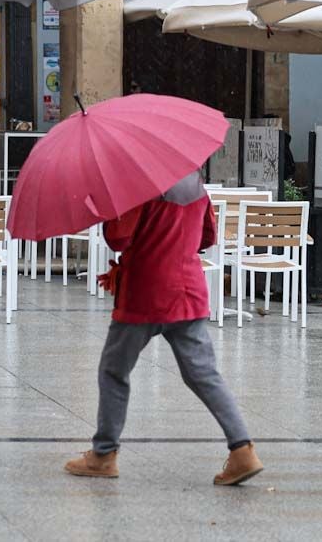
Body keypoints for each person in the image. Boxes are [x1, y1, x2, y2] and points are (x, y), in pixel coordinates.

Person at [64, 170, 263, 486]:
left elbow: (119, 238)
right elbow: (207, 237)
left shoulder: (136, 183)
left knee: (114, 371)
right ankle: (243, 451)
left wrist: (110, 204)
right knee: (204, 373)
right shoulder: (194, 182)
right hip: (188, 289)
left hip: (145, 292)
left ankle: (103, 455)